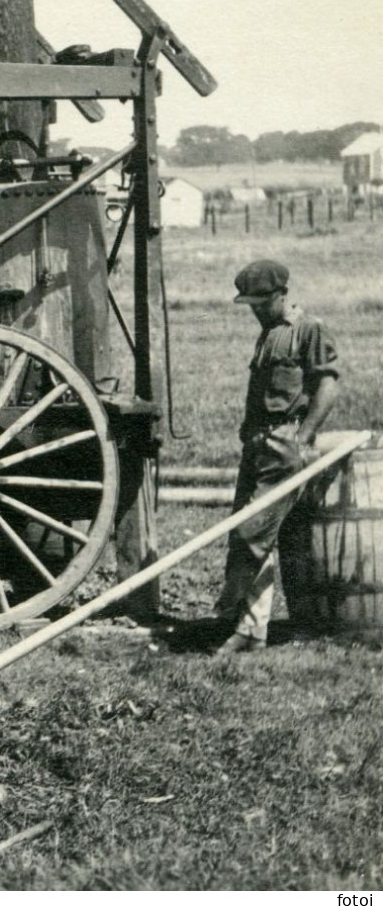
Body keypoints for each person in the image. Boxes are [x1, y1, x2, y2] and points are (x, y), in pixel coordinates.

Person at [214, 258, 340, 654]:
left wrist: (304, 437)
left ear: (282, 295)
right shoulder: (268, 333)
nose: (254, 311)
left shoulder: (308, 329)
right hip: (257, 443)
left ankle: (238, 623)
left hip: (286, 443)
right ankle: (252, 628)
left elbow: (327, 386)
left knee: (252, 531)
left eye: (260, 303)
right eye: (249, 305)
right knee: (250, 532)